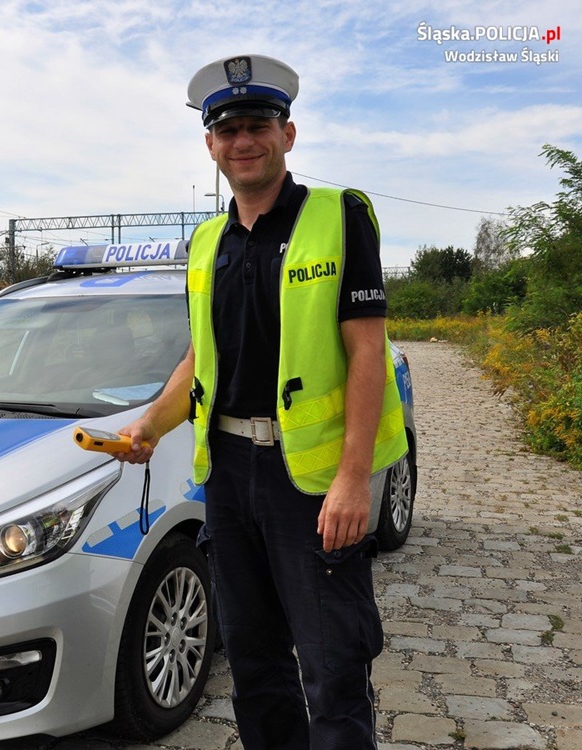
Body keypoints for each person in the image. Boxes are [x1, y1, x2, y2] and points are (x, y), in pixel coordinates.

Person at [114, 54, 408, 750]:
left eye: (258, 125)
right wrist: (151, 426)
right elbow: (200, 360)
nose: (244, 141)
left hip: (310, 481)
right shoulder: (207, 242)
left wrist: (352, 478)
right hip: (228, 478)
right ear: (210, 145)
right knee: (254, 664)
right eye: (229, 130)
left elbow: (368, 351)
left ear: (288, 134)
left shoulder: (338, 217)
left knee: (334, 667)